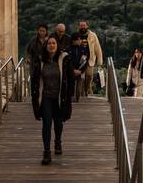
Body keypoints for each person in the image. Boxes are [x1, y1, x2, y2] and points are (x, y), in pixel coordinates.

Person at [30, 35, 75, 165]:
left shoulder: (64, 59)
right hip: (45, 98)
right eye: (49, 43)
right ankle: (46, 152)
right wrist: (34, 98)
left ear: (57, 45)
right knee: (47, 124)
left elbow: (70, 79)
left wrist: (69, 96)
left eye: (54, 43)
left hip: (60, 97)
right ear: (46, 46)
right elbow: (35, 79)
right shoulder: (40, 60)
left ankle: (58, 142)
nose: (51, 45)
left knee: (58, 123)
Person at [77, 21, 103, 98]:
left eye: (84, 25)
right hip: (79, 59)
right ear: (79, 26)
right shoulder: (77, 35)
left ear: (87, 26)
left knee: (89, 75)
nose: (83, 27)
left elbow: (97, 47)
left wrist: (99, 60)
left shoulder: (92, 35)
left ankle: (87, 88)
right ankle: (82, 93)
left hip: (90, 59)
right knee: (81, 77)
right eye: (81, 25)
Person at [68, 32, 90, 102]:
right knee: (71, 85)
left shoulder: (83, 49)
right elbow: (68, 61)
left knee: (78, 88)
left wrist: (81, 71)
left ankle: (77, 98)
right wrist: (73, 70)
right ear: (74, 40)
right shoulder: (68, 49)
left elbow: (86, 60)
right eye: (79, 39)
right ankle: (71, 98)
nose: (80, 41)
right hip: (71, 71)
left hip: (81, 71)